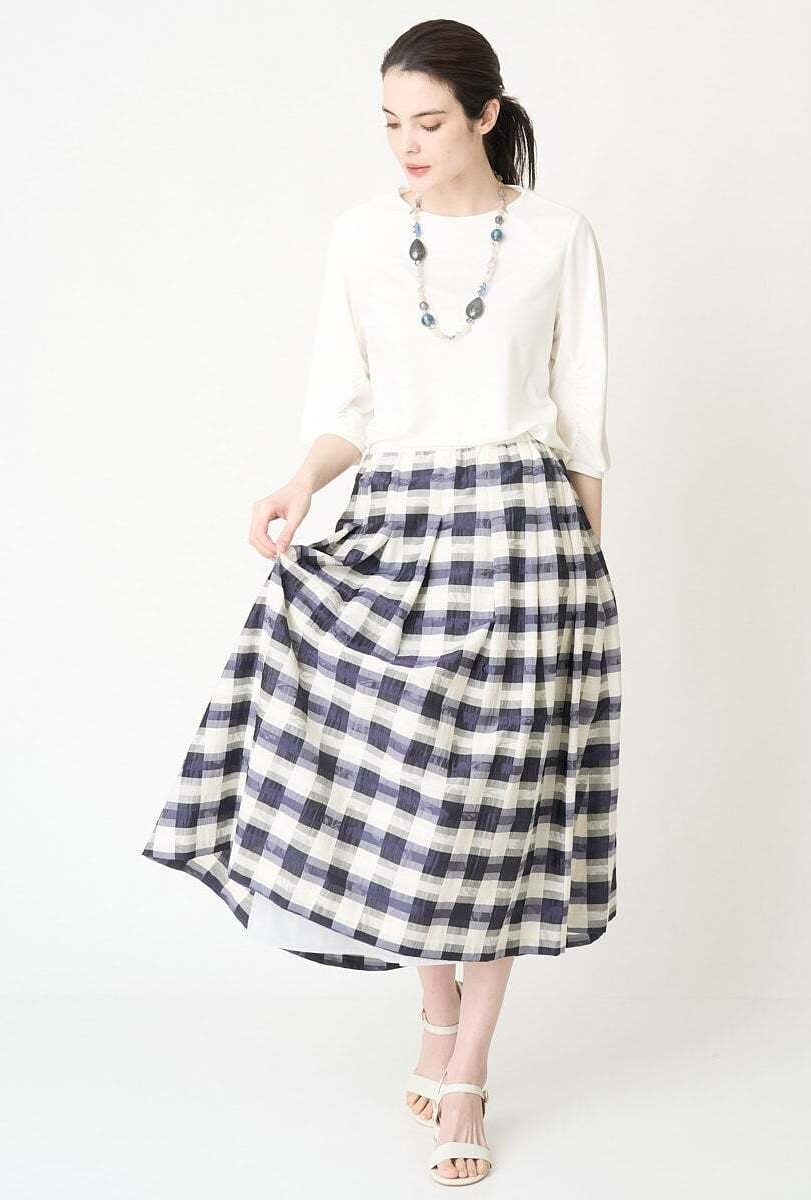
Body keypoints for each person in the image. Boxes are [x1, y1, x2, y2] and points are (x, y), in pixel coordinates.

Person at [141, 18, 622, 1187]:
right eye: (392, 124)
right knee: (413, 795)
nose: (408, 144)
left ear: (485, 116)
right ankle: (433, 1008)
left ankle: (468, 1071)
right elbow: (344, 405)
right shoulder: (362, 237)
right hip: (397, 525)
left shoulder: (556, 236)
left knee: (498, 813)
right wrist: (298, 484)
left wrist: (587, 576)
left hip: (523, 536)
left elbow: (582, 414)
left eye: (431, 122)